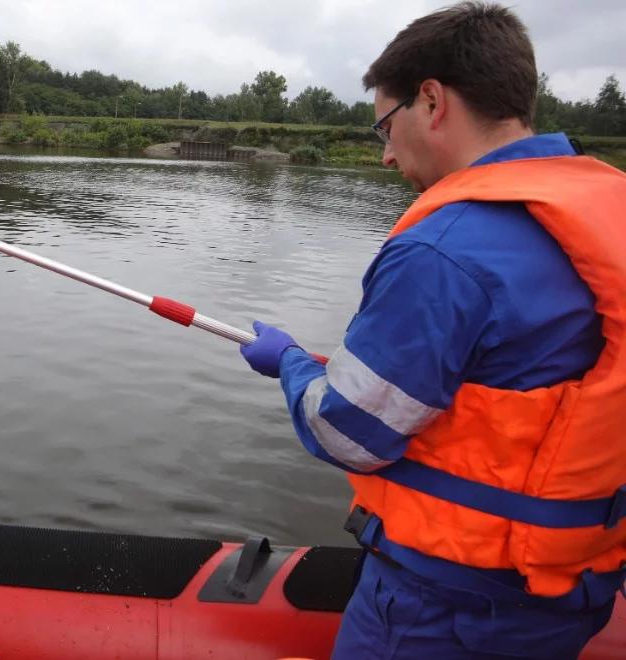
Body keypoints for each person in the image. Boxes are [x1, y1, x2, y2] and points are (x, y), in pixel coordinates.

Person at [238, 3, 626, 658]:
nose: (387, 154)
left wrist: (293, 366)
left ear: (432, 101)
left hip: (444, 610)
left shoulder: (444, 249)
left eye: (385, 127)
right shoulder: (604, 207)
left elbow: (348, 431)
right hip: (568, 594)